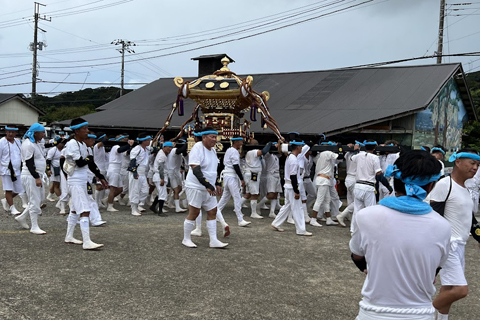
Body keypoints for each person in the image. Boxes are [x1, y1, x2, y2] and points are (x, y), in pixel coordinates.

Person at [350, 150, 451, 319]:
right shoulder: (443, 226)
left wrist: (370, 269)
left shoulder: (366, 216)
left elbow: (357, 256)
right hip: (420, 314)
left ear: (394, 178)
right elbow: (435, 269)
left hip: (373, 313)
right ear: (430, 186)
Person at [431, 149, 480, 319]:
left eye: (478, 165)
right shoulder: (446, 184)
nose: (475, 168)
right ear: (457, 162)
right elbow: (433, 215)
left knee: (449, 290)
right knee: (460, 290)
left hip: (460, 245)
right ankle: (419, 314)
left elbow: (471, 220)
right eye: (472, 163)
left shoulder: (465, 189)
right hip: (448, 244)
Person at [63, 118, 108, 250]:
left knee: (75, 210)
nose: (87, 131)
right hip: (75, 181)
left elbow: (91, 163)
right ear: (77, 131)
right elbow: (81, 163)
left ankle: (69, 236)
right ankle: (87, 242)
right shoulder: (72, 144)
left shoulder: (83, 144)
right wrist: (87, 159)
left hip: (82, 180)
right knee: (85, 210)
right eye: (85, 129)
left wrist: (101, 177)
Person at [181, 127, 228, 248]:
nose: (215, 139)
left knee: (213, 211)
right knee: (194, 212)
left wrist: (217, 184)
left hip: (209, 187)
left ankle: (213, 240)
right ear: (204, 137)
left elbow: (214, 169)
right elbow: (196, 169)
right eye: (212, 137)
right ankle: (186, 239)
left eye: (215, 137)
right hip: (196, 186)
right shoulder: (197, 147)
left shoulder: (213, 150)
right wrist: (207, 185)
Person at [271, 140, 312, 236]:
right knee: (298, 208)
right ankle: (301, 230)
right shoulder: (293, 159)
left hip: (288, 186)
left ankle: (276, 223)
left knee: (287, 206)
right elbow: (293, 176)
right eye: (301, 147)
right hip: (292, 186)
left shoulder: (290, 157)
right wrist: (296, 191)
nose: (302, 148)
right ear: (297, 148)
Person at [351, 140, 392, 233]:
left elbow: (351, 158)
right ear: (374, 148)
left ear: (365, 147)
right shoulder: (374, 157)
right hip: (368, 187)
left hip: (357, 185)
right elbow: (379, 174)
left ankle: (354, 230)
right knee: (370, 210)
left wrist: (357, 149)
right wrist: (388, 186)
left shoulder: (359, 156)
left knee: (357, 209)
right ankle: (370, 231)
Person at [14, 123, 48, 234]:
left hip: (36, 175)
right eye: (42, 132)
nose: (44, 134)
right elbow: (29, 163)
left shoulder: (36, 143)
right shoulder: (28, 144)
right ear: (35, 133)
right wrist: (36, 177)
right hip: (30, 176)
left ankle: (22, 217)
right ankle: (34, 226)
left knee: (40, 199)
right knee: (34, 200)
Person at [217, 137, 251, 227]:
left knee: (225, 197)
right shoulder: (234, 151)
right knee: (237, 197)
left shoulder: (229, 150)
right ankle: (240, 219)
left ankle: (216, 213)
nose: (241, 143)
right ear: (236, 142)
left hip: (227, 176)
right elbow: (236, 166)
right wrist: (241, 179)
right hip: (231, 176)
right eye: (240, 142)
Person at [241, 141, 272, 219]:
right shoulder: (253, 152)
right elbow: (264, 151)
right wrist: (269, 144)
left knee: (248, 194)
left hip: (250, 173)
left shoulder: (249, 152)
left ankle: (237, 208)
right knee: (254, 194)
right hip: (253, 174)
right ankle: (253, 213)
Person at [0, 126, 27, 215]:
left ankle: (5, 200)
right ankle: (12, 208)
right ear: (6, 132)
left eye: (12, 132)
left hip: (17, 170)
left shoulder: (17, 141)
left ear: (15, 133)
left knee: (20, 189)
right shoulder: (1, 142)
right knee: (8, 189)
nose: (10, 134)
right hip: (6, 170)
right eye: (9, 132)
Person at [310, 148, 339, 227]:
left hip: (322, 179)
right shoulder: (328, 152)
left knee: (327, 200)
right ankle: (313, 219)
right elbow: (338, 156)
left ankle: (328, 219)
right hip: (323, 180)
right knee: (320, 200)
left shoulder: (319, 155)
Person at [106, 135, 134, 212]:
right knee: (113, 189)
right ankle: (110, 206)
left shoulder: (121, 149)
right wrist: (129, 145)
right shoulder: (116, 146)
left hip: (118, 169)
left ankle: (107, 200)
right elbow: (120, 150)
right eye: (123, 139)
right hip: (113, 169)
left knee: (120, 189)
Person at [128, 133, 152, 216]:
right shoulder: (137, 149)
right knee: (135, 190)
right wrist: (134, 172)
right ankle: (133, 209)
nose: (149, 141)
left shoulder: (146, 149)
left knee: (145, 190)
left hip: (143, 172)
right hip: (136, 171)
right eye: (148, 140)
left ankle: (138, 205)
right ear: (143, 141)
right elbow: (132, 161)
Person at [150, 141, 172, 216]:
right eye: (169, 147)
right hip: (159, 175)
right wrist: (162, 178)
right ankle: (160, 211)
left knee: (161, 193)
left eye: (171, 147)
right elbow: (161, 168)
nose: (170, 149)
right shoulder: (161, 155)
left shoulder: (162, 153)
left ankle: (153, 206)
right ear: (164, 147)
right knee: (163, 194)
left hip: (159, 175)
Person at [166, 140, 188, 213]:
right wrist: (188, 143)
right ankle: (177, 207)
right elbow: (182, 149)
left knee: (180, 188)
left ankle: (170, 203)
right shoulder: (174, 150)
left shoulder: (177, 152)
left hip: (176, 172)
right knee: (176, 190)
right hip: (172, 172)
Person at [46, 137, 66, 202]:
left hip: (62, 168)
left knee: (56, 183)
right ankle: (61, 199)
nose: (63, 144)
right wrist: (48, 169)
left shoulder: (64, 150)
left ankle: (49, 196)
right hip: (54, 169)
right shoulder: (53, 150)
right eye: (62, 143)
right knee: (56, 184)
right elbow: (48, 160)